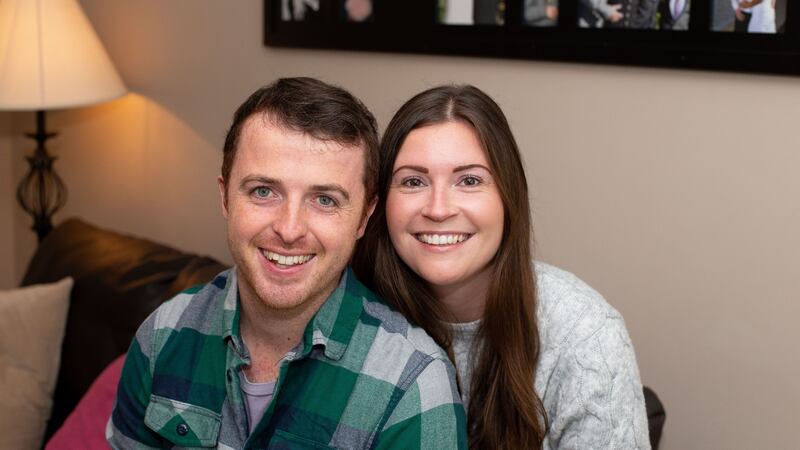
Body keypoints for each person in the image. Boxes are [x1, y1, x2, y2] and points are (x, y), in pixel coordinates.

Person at [107, 78, 467, 449]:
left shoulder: (412, 386)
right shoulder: (164, 335)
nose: (289, 229)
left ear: (363, 217)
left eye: (325, 200)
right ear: (225, 197)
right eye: (263, 191)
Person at [353, 85, 650, 449]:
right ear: (380, 204)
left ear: (508, 197)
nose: (439, 208)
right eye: (414, 181)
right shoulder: (348, 312)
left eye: (469, 180)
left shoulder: (584, 333)